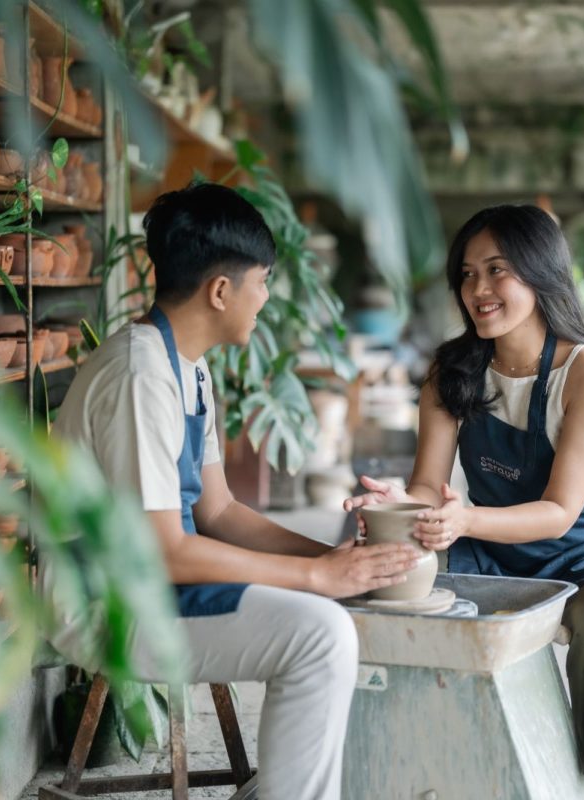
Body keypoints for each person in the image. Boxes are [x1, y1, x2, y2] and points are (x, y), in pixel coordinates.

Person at [47, 182, 419, 800]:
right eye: (263, 281)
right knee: (321, 633)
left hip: (159, 585)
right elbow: (167, 549)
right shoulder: (142, 376)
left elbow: (217, 511)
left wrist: (330, 561)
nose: (267, 297)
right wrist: (317, 578)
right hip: (108, 604)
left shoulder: (188, 367)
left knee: (334, 610)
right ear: (221, 290)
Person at [345, 204, 584, 799]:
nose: (478, 290)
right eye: (467, 274)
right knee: (402, 584)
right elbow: (424, 486)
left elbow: (560, 510)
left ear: (539, 275)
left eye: (496, 271)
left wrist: (465, 518)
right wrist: (396, 505)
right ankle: (430, 758)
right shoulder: (452, 372)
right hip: (493, 543)